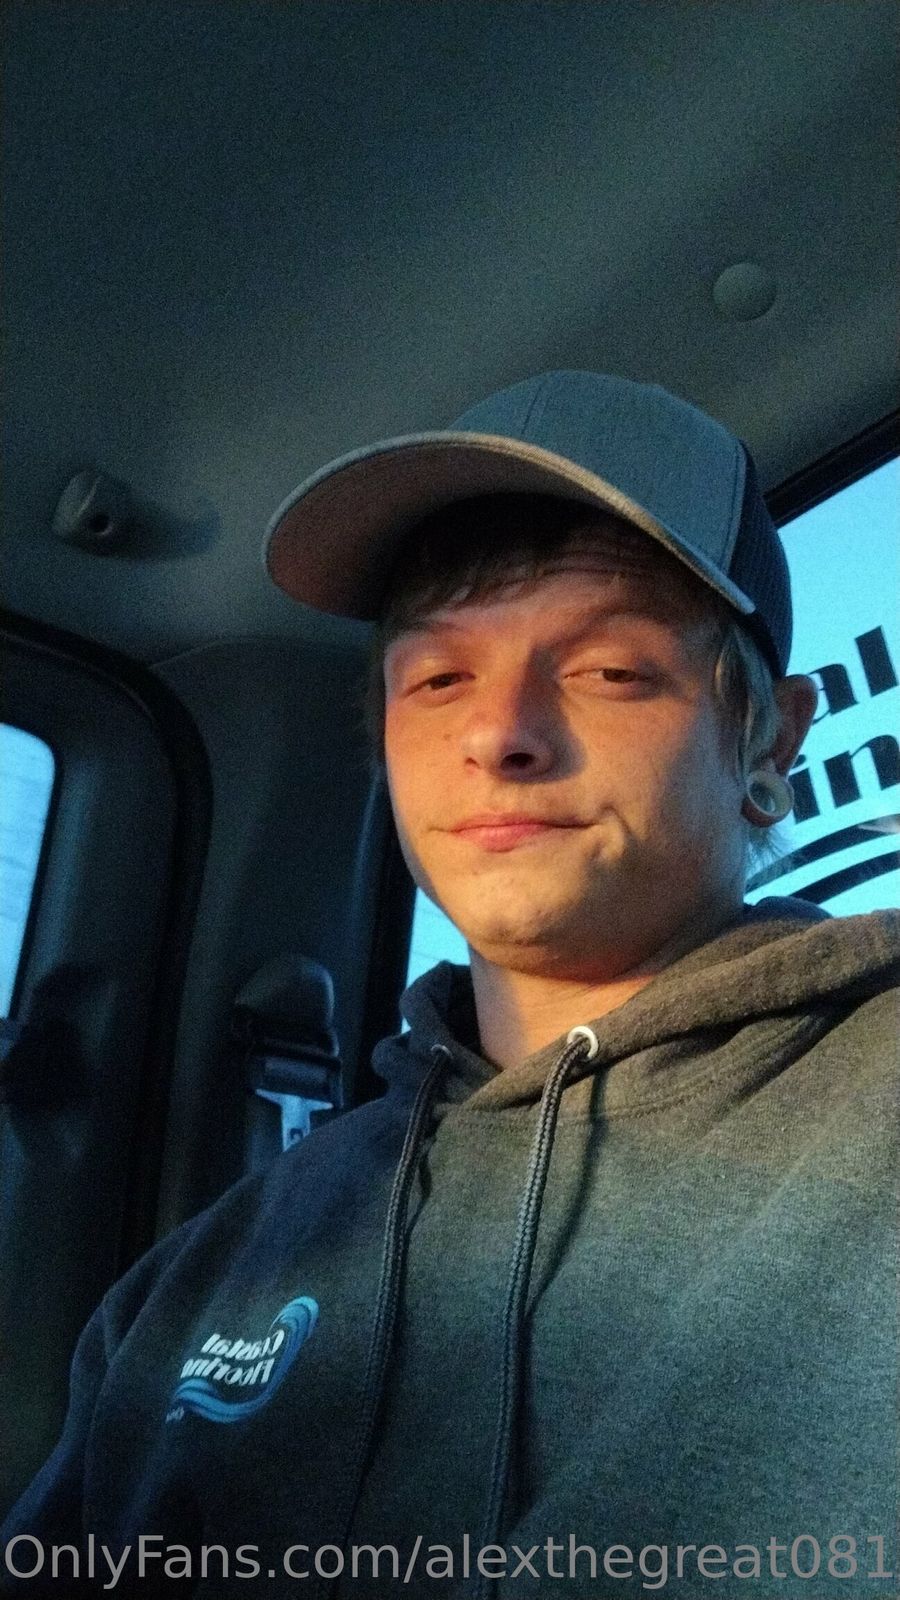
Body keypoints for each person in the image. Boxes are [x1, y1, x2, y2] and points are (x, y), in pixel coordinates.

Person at [1, 371, 896, 1598]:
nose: (500, 732)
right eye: (436, 679)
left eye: (611, 670)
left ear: (771, 741)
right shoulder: (200, 1275)